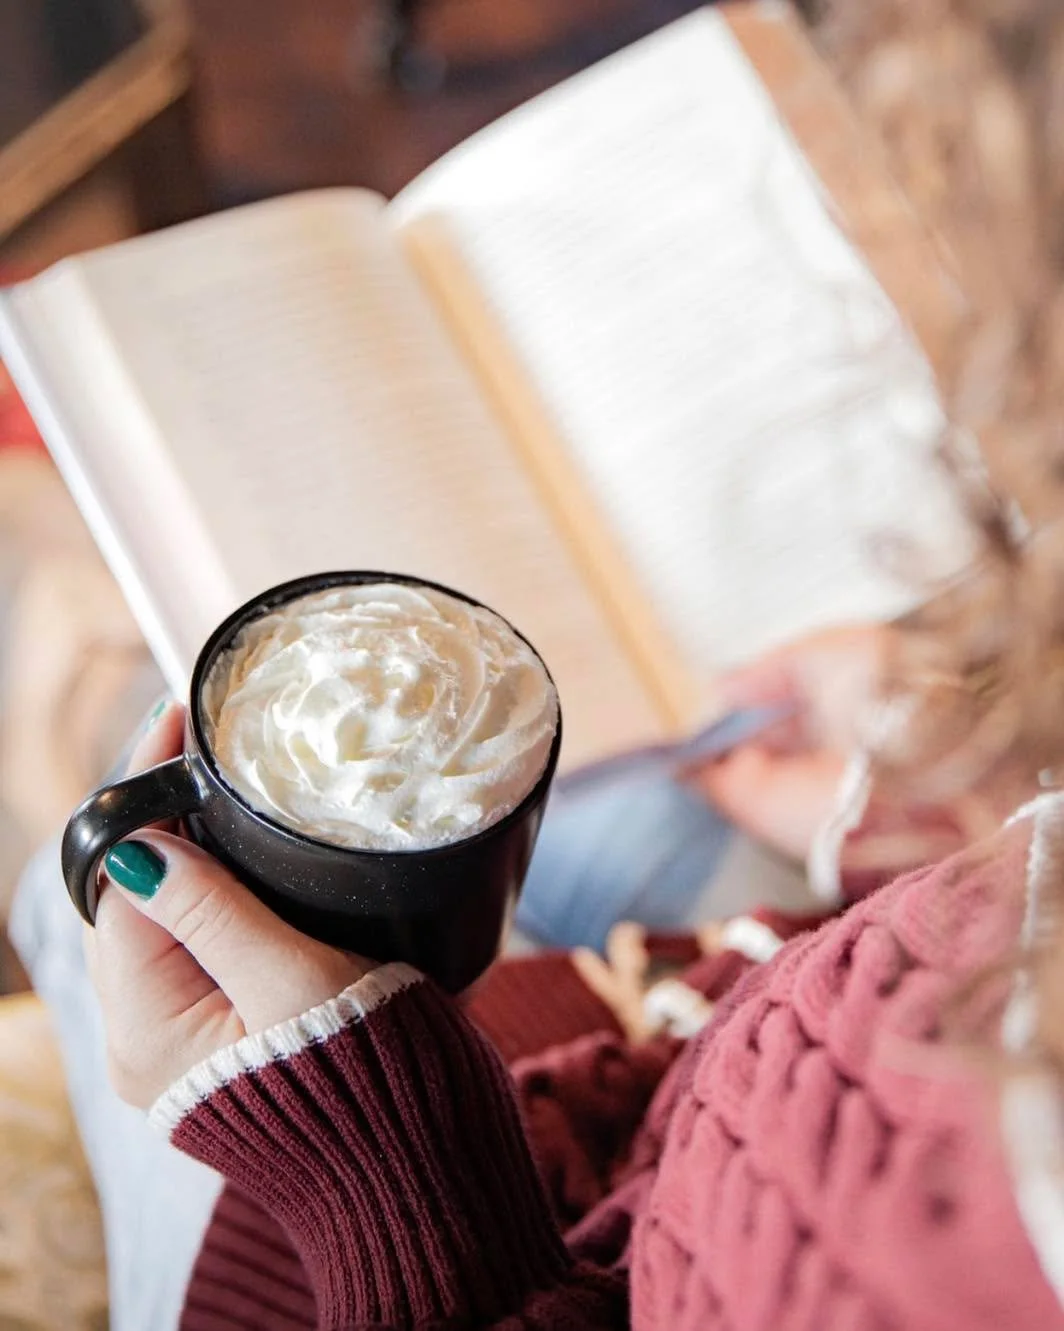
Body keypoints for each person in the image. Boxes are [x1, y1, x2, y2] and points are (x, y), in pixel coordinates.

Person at [20, 0, 1064, 1325]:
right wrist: (922, 815)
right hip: (685, 1010)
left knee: (69, 840)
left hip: (404, 1202)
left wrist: (364, 1163)